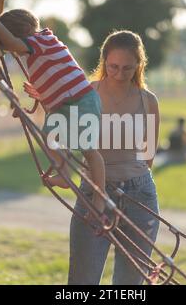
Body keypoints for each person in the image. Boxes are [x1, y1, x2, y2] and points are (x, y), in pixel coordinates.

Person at [0, 9, 106, 212]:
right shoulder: (39, 47)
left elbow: (13, 43)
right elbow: (57, 75)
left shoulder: (40, 41)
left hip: (81, 101)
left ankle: (100, 196)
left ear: (26, 31)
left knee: (89, 151)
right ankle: (64, 172)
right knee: (49, 138)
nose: (14, 51)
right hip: (65, 103)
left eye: (13, 44)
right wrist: (42, 93)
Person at [68, 30, 160, 285]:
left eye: (127, 68)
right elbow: (60, 126)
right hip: (93, 193)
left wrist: (129, 175)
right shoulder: (86, 92)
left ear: (139, 65)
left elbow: (149, 154)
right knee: (81, 281)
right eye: (113, 67)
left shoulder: (148, 101)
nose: (119, 74)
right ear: (103, 62)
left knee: (130, 284)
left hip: (139, 196)